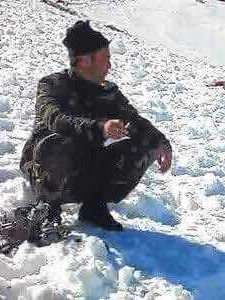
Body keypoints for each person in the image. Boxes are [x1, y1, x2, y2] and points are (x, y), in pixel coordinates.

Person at [19, 20, 172, 231]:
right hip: (46, 170)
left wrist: (161, 141)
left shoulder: (109, 93)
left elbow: (134, 120)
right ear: (84, 61)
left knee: (140, 144)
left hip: (85, 173)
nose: (110, 66)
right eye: (106, 59)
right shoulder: (53, 85)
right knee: (59, 139)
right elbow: (55, 119)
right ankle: (48, 206)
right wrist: (100, 128)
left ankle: (94, 205)